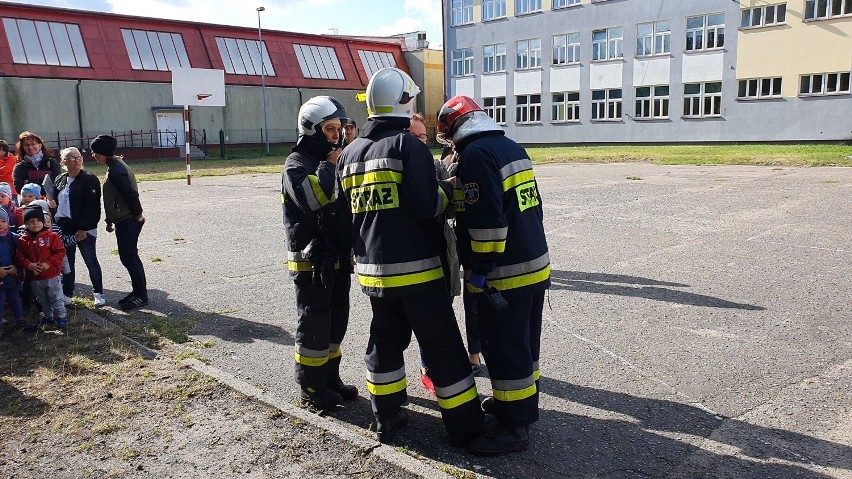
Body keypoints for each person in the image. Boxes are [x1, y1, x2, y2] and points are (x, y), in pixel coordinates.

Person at [337, 67, 486, 446]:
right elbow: (426, 205)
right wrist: (445, 189)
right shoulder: (409, 147)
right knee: (445, 350)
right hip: (418, 274)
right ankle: (466, 429)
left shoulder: (350, 153)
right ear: (403, 102)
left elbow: (345, 213)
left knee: (384, 345)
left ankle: (386, 418)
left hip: (373, 275)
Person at [436, 95, 551, 456]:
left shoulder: (476, 155)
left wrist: (480, 273)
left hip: (504, 273)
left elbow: (487, 223)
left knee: (504, 347)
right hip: (533, 261)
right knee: (525, 343)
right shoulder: (510, 146)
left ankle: (514, 428)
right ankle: (518, 404)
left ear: (454, 127)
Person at [281, 96, 357, 412]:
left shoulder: (330, 159)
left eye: (338, 129)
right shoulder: (296, 164)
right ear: (311, 129)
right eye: (329, 129)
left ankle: (330, 380)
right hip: (311, 263)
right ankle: (311, 389)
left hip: (337, 257)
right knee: (314, 324)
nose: (335, 135)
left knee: (336, 321)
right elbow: (314, 198)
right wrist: (332, 165)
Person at [91, 135, 148, 310]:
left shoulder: (117, 170)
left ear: (104, 153)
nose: (93, 155)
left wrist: (138, 214)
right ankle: (138, 291)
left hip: (128, 220)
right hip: (123, 219)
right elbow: (114, 197)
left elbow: (130, 194)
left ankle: (141, 295)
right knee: (129, 257)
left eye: (95, 152)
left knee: (129, 257)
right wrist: (110, 220)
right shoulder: (113, 166)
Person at [54, 147, 105, 307]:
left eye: (78, 157)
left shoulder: (89, 179)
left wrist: (83, 228)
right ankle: (67, 294)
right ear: (63, 162)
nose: (76, 160)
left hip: (84, 227)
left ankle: (98, 293)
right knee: (67, 262)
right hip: (64, 226)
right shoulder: (60, 179)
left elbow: (92, 207)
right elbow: (56, 201)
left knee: (90, 260)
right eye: (71, 158)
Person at [16, 205, 67, 329]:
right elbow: (19, 256)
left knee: (56, 298)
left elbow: (60, 252)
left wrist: (48, 263)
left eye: (38, 221)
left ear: (43, 222)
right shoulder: (23, 240)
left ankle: (61, 317)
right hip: (35, 277)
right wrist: (29, 265)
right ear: (25, 224)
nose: (35, 224)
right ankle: (48, 317)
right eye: (31, 222)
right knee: (42, 299)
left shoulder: (52, 237)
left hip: (51, 275)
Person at [12, 131, 62, 196]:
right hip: (30, 202)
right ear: (23, 148)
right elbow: (19, 187)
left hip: (50, 201)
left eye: (33, 144)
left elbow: (57, 182)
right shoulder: (19, 167)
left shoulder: (51, 163)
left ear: (40, 145)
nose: (30, 147)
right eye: (26, 145)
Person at [0, 208, 24, 335]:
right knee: (1, 300)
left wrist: (16, 266)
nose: (0, 224)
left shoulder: (14, 238)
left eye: (3, 221)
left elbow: (20, 255)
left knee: (15, 298)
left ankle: (20, 320)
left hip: (13, 275)